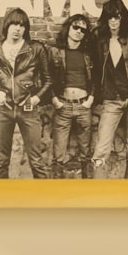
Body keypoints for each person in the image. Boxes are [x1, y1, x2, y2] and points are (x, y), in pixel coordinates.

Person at [0, 7, 51, 179]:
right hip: (4, 110)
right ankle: (3, 200)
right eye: (14, 24)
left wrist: (36, 98)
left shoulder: (35, 49)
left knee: (36, 160)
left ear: (26, 29)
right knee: (2, 160)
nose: (17, 28)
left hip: (28, 109)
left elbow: (48, 80)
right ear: (7, 26)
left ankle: (47, 201)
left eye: (21, 25)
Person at [89, 0, 128, 178]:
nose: (114, 21)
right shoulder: (97, 37)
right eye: (110, 18)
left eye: (117, 17)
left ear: (123, 18)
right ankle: (99, 192)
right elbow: (93, 67)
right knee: (101, 148)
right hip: (111, 100)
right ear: (105, 19)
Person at [46, 13, 95, 178]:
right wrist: (54, 99)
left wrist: (91, 99)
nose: (79, 31)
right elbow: (47, 77)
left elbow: (97, 78)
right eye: (75, 27)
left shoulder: (88, 54)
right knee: (59, 153)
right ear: (68, 28)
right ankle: (57, 190)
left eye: (83, 29)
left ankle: (87, 187)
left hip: (84, 106)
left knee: (85, 152)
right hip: (63, 106)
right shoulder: (55, 52)